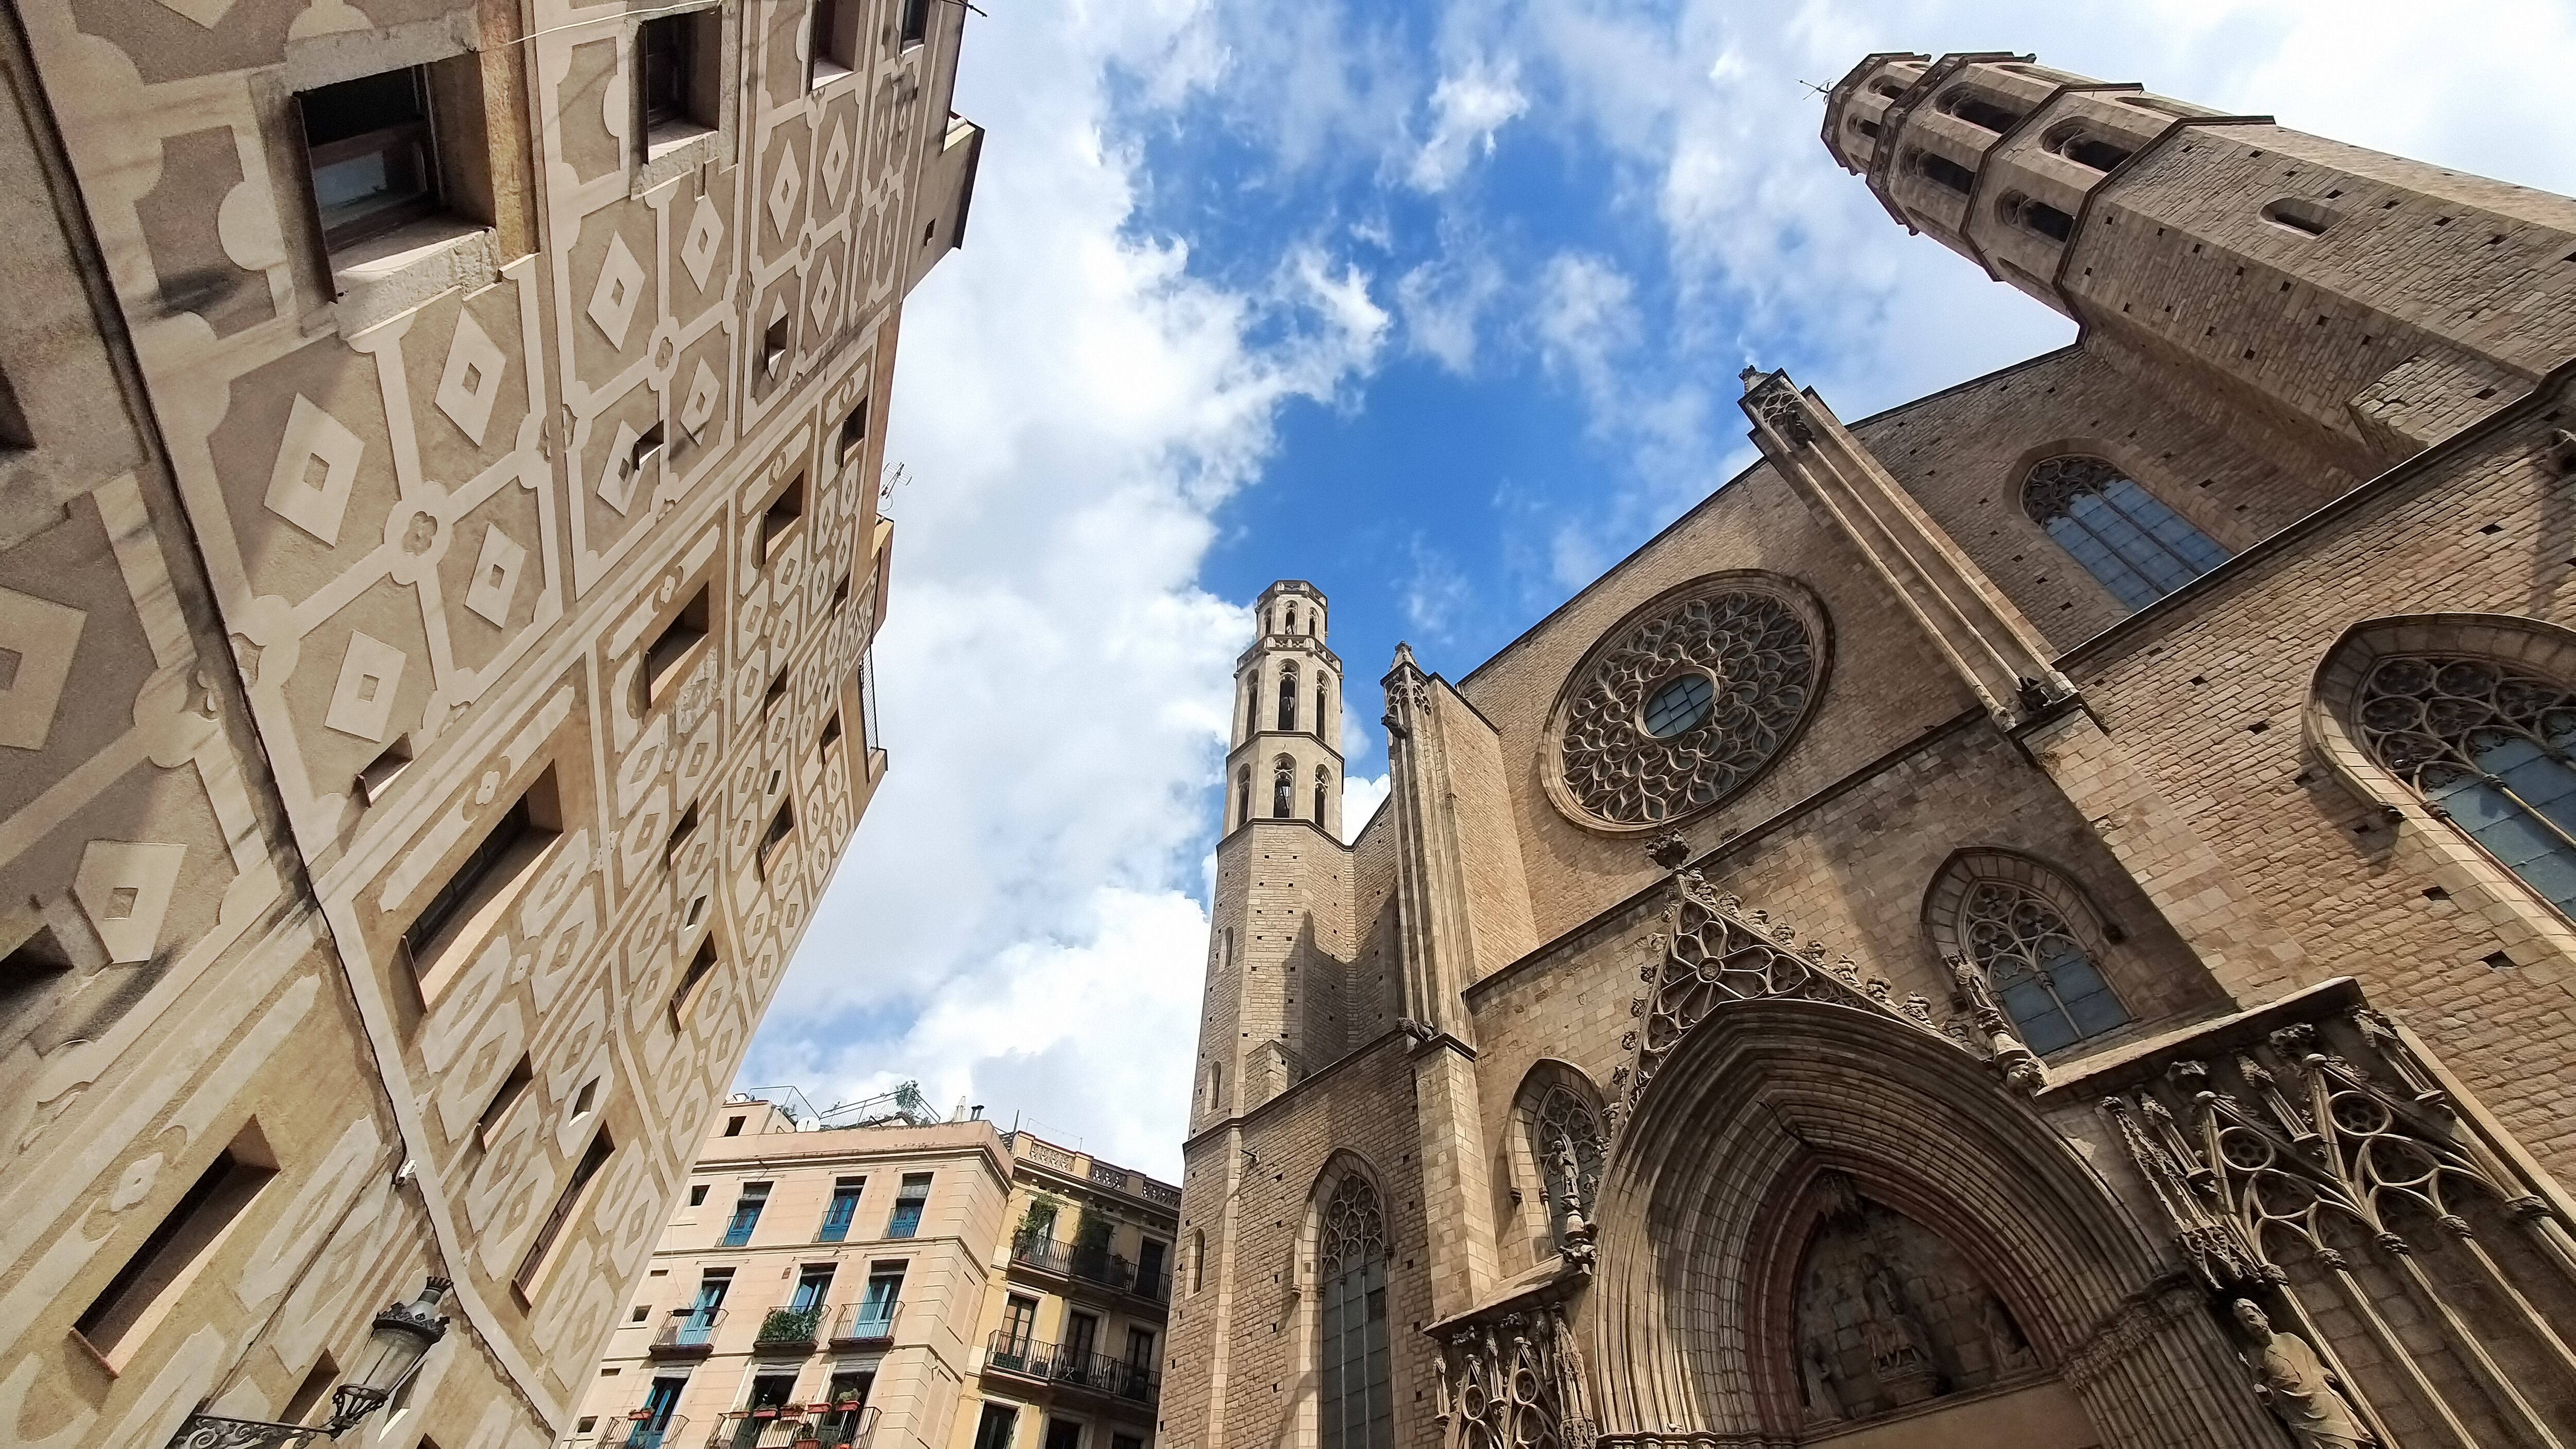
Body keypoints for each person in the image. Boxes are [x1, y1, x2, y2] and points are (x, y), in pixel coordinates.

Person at [2231, 1299, 2374, 1447]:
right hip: (2297, 1413)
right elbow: (2261, 1384)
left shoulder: (2289, 1339)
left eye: (2252, 1318)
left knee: (2343, 1444)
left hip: (2322, 1402)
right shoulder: (2255, 1354)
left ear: (2262, 1315)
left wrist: (2324, 1373)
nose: (2251, 1325)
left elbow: (2314, 1364)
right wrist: (2267, 1393)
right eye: (2245, 1323)